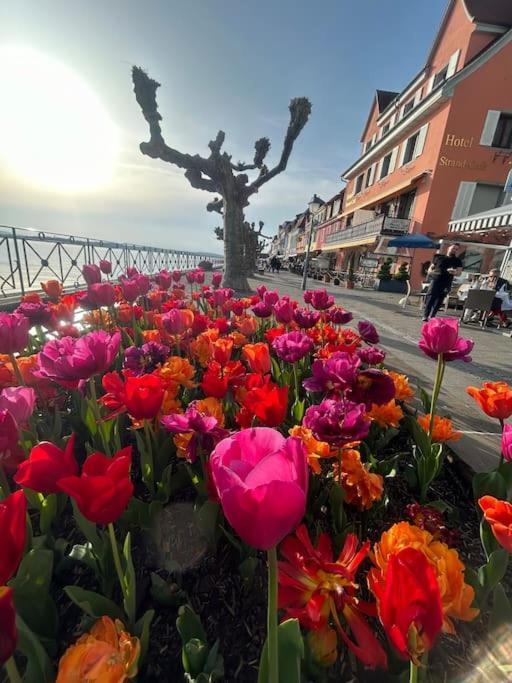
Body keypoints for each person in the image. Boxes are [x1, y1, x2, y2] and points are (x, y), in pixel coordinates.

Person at [423, 243, 463, 321]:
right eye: (453, 248)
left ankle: (433, 315)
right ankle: (425, 315)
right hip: (436, 280)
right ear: (449, 248)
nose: (454, 250)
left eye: (456, 249)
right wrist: (431, 272)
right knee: (431, 297)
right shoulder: (439, 257)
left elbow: (459, 273)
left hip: (446, 282)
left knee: (440, 299)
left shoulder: (457, 261)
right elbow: (430, 269)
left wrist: (454, 272)